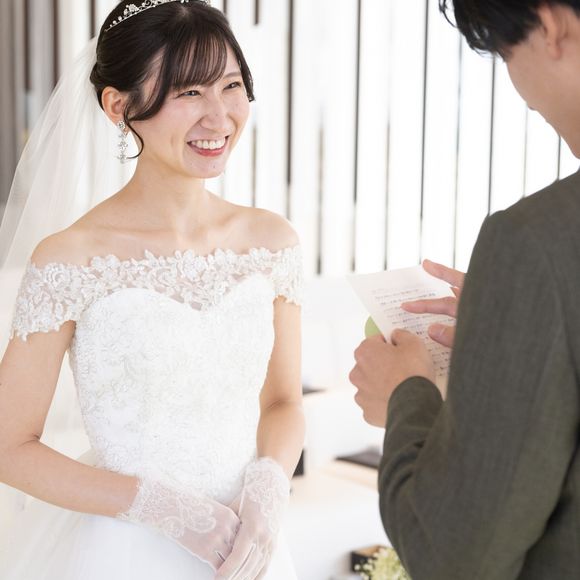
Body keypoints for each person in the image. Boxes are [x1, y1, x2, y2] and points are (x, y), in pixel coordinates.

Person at [0, 1, 304, 579]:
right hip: (121, 551)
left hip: (247, 545)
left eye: (231, 86)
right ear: (119, 106)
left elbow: (284, 403)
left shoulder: (271, 242)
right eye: (188, 92)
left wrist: (269, 486)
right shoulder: (71, 258)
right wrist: (161, 508)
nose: (219, 116)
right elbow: (8, 445)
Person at [350, 1, 580, 578]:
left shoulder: (534, 242)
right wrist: (517, 321)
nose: (520, 93)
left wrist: (406, 395)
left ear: (550, 24)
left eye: (506, 52)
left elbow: (456, 556)